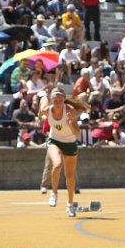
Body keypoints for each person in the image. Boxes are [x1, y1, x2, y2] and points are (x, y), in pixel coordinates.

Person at [38, 87, 89, 217]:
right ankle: (54, 193)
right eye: (55, 100)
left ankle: (70, 205)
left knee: (70, 176)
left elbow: (77, 134)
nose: (58, 103)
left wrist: (71, 123)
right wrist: (42, 102)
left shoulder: (70, 111)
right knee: (57, 164)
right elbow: (42, 102)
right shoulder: (47, 110)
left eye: (61, 100)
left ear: (64, 100)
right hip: (54, 141)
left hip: (70, 143)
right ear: (52, 100)